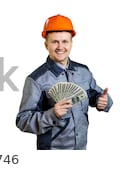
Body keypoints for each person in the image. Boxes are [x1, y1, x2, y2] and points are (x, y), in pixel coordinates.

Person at [16, 14, 113, 150]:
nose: (60, 47)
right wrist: (52, 114)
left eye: (65, 41)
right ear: (46, 45)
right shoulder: (36, 80)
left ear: (71, 43)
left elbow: (94, 96)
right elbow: (22, 120)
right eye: (55, 42)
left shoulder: (83, 71)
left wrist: (103, 101)